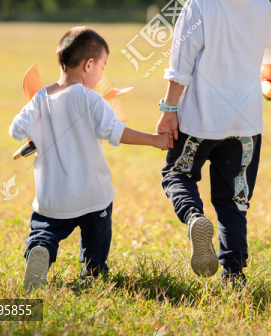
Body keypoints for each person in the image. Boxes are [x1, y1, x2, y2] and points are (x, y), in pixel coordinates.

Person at [156, 0, 271, 286]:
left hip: (198, 122)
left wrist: (167, 113)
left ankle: (194, 217)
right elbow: (269, 69)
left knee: (177, 175)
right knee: (232, 202)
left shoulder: (199, 4)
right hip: (245, 129)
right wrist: (268, 80)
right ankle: (234, 274)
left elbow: (180, 69)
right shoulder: (266, 11)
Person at [10, 26, 172, 289]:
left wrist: (37, 132)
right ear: (88, 65)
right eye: (102, 66)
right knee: (97, 233)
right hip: (92, 196)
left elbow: (16, 129)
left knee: (44, 230)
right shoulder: (91, 99)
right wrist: (154, 139)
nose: (102, 74)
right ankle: (93, 269)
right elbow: (115, 131)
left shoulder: (40, 98)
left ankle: (40, 250)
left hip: (52, 197)